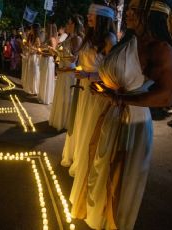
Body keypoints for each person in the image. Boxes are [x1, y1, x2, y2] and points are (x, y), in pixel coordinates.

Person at [74, 0, 172, 229]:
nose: (128, 14)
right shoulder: (128, 40)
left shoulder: (160, 48)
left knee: (120, 176)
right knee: (101, 168)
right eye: (129, 9)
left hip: (132, 120)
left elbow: (166, 96)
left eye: (135, 10)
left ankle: (112, 221)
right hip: (112, 112)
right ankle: (96, 216)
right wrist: (107, 89)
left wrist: (119, 99)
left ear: (150, 15)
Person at [60, 2, 117, 172]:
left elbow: (113, 72)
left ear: (102, 17)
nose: (87, 17)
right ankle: (77, 155)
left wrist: (90, 76)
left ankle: (85, 163)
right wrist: (75, 68)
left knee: (89, 125)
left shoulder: (109, 39)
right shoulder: (88, 36)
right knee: (79, 122)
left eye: (91, 14)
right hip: (82, 86)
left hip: (96, 89)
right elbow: (84, 61)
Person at [49, 16, 84, 131]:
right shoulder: (68, 38)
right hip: (62, 71)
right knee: (60, 97)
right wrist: (55, 52)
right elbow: (63, 55)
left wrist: (64, 68)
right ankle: (59, 120)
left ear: (74, 25)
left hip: (68, 72)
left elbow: (75, 61)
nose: (67, 25)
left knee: (66, 98)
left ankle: (65, 122)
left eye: (69, 23)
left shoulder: (77, 39)